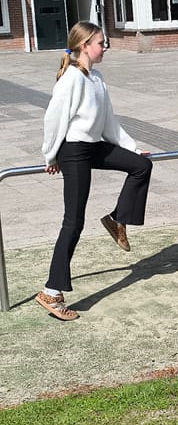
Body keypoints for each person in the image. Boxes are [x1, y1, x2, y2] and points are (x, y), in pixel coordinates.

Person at [35, 22, 153, 321]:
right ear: (84, 46)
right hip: (73, 150)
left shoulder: (97, 78)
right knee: (73, 221)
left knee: (141, 166)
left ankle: (116, 219)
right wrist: (51, 155)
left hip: (93, 145)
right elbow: (53, 120)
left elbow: (109, 121)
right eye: (101, 43)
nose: (105, 48)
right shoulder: (71, 79)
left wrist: (131, 148)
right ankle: (51, 291)